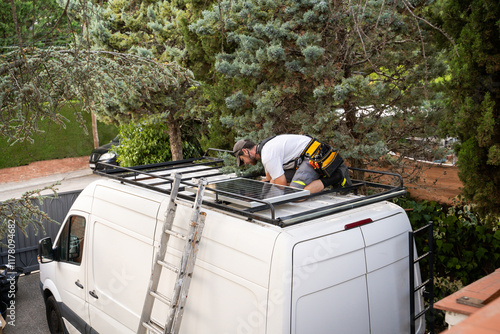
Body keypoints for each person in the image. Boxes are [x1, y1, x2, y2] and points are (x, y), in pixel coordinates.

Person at [232, 134, 352, 194]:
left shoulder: (268, 155)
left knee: (294, 194)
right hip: (305, 155)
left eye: (243, 160)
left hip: (313, 156)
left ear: (245, 151)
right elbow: (269, 179)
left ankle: (337, 176)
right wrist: (256, 192)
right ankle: (312, 179)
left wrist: (267, 195)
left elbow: (282, 185)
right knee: (276, 182)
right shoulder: (264, 148)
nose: (245, 163)